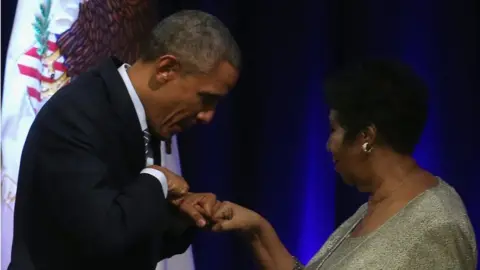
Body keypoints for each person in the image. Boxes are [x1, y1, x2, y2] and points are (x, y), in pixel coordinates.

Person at [9, 10, 240, 270]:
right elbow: (103, 238)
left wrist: (181, 217)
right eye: (205, 98)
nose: (208, 116)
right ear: (166, 69)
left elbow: (129, 243)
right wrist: (157, 179)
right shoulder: (78, 113)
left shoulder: (139, 115)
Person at [208, 60, 477, 269]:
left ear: (366, 137)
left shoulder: (438, 227)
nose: (329, 144)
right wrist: (257, 230)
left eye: (334, 130)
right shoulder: (376, 205)